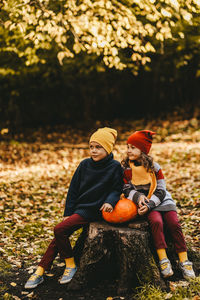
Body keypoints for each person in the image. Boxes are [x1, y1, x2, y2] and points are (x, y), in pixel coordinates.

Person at [25, 127, 123, 289]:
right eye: (91, 147)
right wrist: (68, 213)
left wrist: (110, 202)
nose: (94, 150)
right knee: (60, 233)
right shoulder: (84, 165)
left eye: (98, 147)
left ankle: (68, 266)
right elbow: (73, 190)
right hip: (82, 210)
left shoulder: (114, 167)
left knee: (59, 230)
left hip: (98, 212)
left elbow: (116, 188)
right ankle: (41, 270)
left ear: (108, 148)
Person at [121, 130, 195, 279]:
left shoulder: (155, 167)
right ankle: (163, 259)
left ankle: (184, 260)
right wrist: (139, 197)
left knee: (174, 224)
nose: (129, 150)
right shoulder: (126, 169)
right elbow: (126, 188)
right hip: (146, 202)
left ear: (143, 150)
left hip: (161, 200)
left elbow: (161, 190)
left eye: (133, 147)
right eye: (127, 146)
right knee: (156, 222)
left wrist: (149, 205)